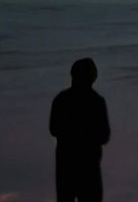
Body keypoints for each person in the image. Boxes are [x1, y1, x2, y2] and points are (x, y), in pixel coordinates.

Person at [49, 58, 111, 202]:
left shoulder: (62, 99)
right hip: (86, 167)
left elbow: (54, 129)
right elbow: (104, 135)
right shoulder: (96, 102)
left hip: (69, 166)